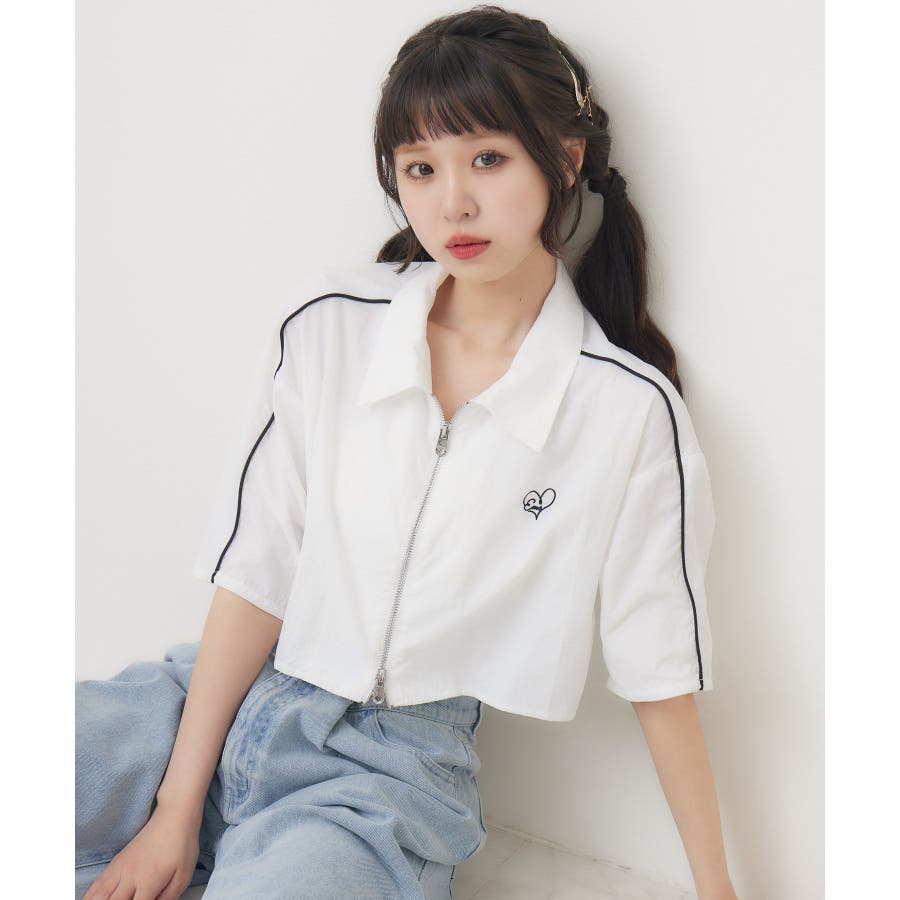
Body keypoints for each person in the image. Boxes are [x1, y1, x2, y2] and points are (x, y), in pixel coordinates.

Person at [75, 5, 738, 899]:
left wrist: (716, 888)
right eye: (420, 168)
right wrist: (174, 809)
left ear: (565, 158)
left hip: (382, 780)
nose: (451, 203)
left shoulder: (626, 411)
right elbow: (258, 572)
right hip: (199, 707)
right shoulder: (329, 326)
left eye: (487, 159)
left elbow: (659, 669)